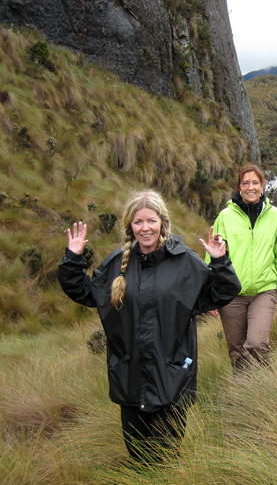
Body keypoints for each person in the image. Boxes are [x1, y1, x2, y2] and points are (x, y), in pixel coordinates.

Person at [57, 190, 241, 464]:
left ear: (162, 222)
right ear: (129, 225)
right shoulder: (116, 264)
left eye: (151, 221)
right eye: (138, 222)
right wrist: (73, 259)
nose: (145, 228)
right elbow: (85, 291)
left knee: (166, 460)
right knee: (139, 458)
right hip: (130, 377)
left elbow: (221, 292)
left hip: (173, 377)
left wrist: (219, 262)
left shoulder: (185, 262)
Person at [206, 164, 277, 373]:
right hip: (231, 294)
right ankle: (244, 394)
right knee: (236, 350)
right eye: (246, 183)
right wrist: (211, 296)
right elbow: (213, 256)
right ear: (239, 187)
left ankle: (266, 385)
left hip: (264, 290)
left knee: (256, 344)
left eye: (255, 182)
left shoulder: (276, 216)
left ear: (262, 186)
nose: (250, 187)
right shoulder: (225, 217)